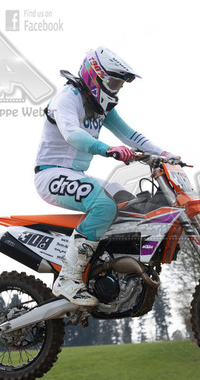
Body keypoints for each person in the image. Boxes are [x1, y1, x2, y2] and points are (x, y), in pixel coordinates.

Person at [34, 46, 179, 306]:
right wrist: (107, 149)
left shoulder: (101, 107)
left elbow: (130, 135)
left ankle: (105, 269)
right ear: (94, 76)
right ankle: (68, 278)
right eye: (112, 83)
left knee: (128, 203)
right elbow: (72, 134)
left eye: (119, 85)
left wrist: (164, 154)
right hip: (51, 174)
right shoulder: (67, 98)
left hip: (75, 174)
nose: (115, 90)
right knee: (104, 205)